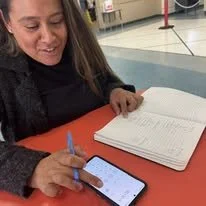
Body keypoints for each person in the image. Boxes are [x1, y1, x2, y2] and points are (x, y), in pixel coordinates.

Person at [0, 0, 143, 199]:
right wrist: (33, 168)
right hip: (54, 189)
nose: (49, 38)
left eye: (57, 21)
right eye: (32, 26)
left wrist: (114, 91)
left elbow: (103, 80)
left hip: (110, 165)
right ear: (7, 23)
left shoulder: (78, 43)